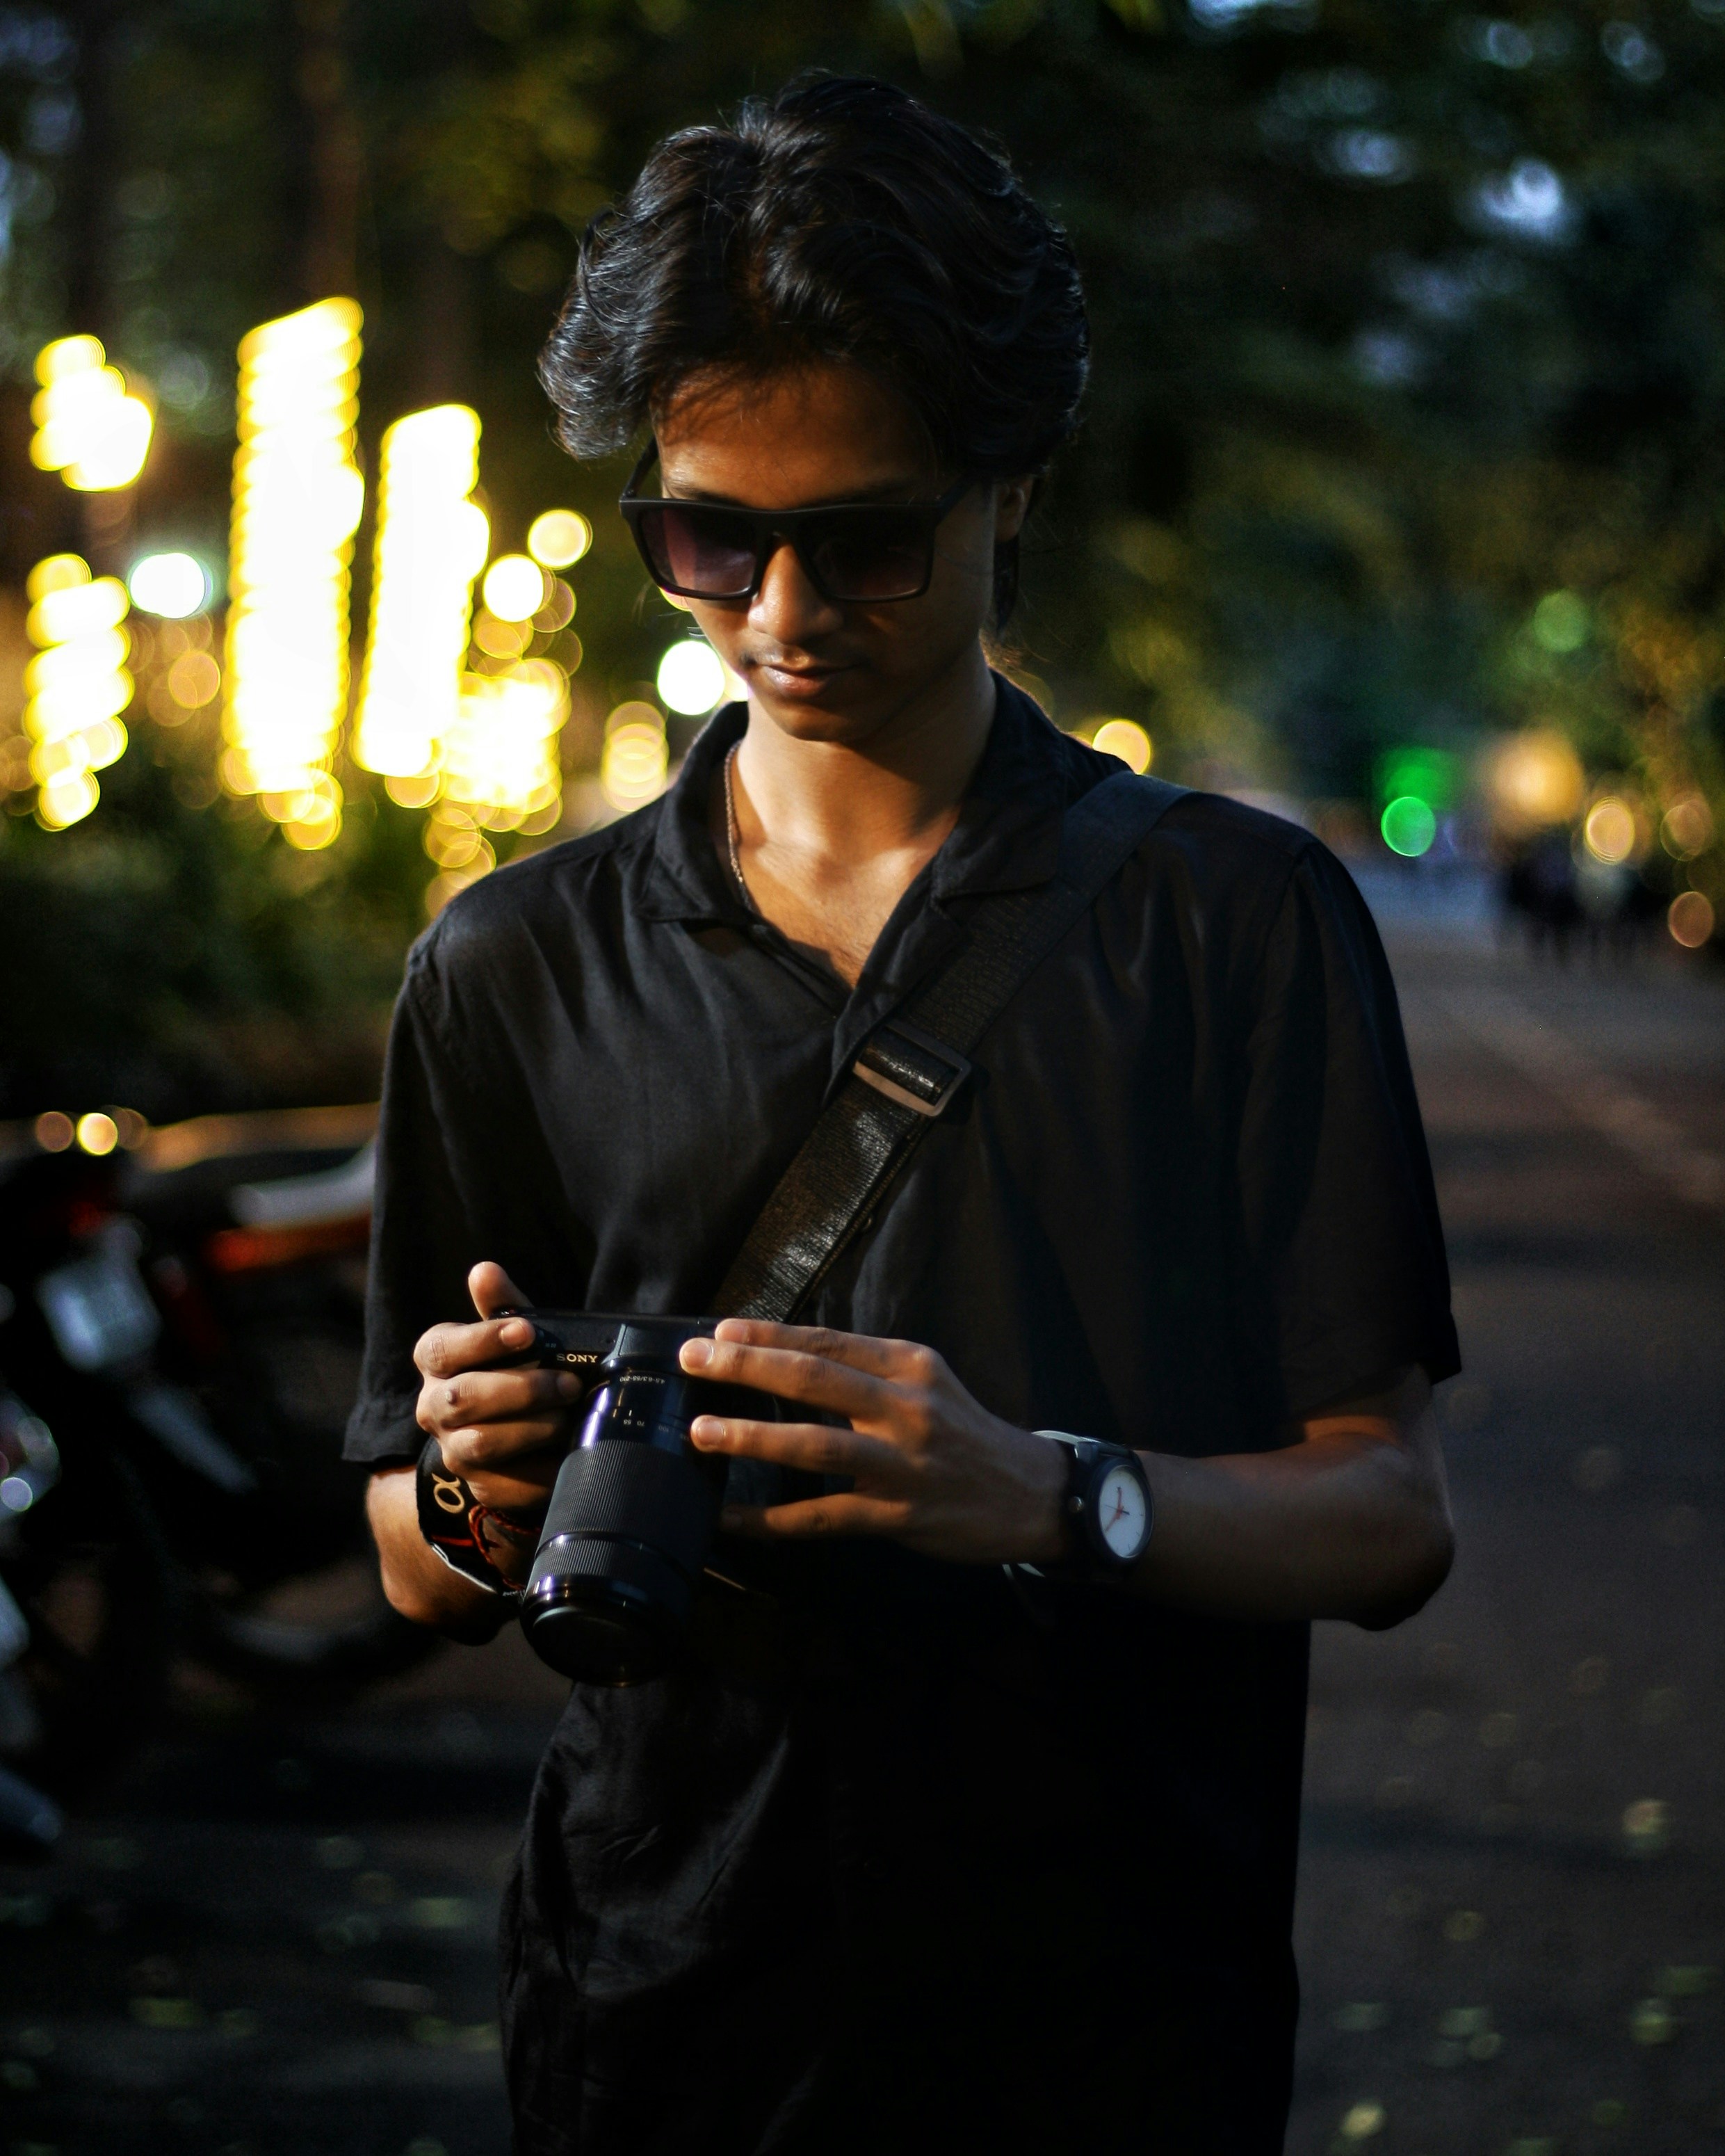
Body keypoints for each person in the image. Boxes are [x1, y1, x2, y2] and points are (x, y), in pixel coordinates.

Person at [351, 74, 1459, 2156]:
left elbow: (1389, 1511)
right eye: (709, 539)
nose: (780, 616)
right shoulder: (509, 962)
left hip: (1112, 2023)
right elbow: (416, 1561)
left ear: (1007, 485)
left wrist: (1042, 1492)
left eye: (865, 539)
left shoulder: (1232, 922)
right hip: (653, 2013)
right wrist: (479, 1487)